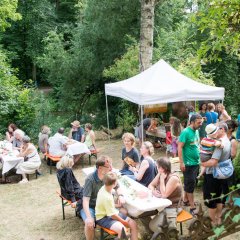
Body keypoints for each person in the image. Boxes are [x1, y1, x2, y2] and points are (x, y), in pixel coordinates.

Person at [81, 156, 126, 240]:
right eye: (109, 166)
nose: (111, 168)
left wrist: (120, 196)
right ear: (100, 168)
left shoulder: (109, 175)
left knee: (124, 211)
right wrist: (89, 217)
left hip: (104, 206)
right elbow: (85, 200)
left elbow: (118, 187)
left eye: (111, 165)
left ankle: (118, 233)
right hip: (91, 206)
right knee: (89, 223)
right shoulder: (90, 179)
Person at [202, 122, 231, 225]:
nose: (215, 131)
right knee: (219, 197)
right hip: (222, 173)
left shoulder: (219, 143)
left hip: (213, 174)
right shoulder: (227, 140)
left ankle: (213, 222)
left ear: (222, 129)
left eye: (217, 129)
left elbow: (213, 161)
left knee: (211, 200)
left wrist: (201, 163)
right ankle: (218, 219)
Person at [95, 172, 138, 239]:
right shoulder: (106, 197)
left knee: (133, 224)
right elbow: (112, 215)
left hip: (110, 213)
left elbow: (107, 206)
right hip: (102, 218)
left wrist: (116, 205)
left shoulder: (105, 187)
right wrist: (123, 222)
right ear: (114, 184)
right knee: (124, 231)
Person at [148, 157, 183, 232]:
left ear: (163, 168)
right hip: (161, 205)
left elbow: (164, 195)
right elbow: (150, 185)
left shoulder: (173, 178)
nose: (156, 168)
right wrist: (153, 191)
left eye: (158, 167)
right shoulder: (160, 173)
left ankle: (165, 235)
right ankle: (157, 234)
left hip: (172, 207)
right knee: (143, 215)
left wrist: (161, 180)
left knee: (153, 226)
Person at [178, 114, 202, 215]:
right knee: (190, 184)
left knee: (191, 183)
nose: (200, 124)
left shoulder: (196, 131)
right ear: (192, 122)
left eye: (201, 122)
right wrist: (181, 162)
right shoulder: (185, 132)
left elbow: (196, 144)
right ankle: (192, 207)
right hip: (188, 164)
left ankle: (185, 200)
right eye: (198, 122)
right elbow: (179, 147)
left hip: (196, 162)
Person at [225, 120, 238, 187]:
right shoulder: (222, 137)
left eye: (226, 127)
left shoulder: (233, 140)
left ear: (231, 129)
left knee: (229, 183)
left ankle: (230, 197)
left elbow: (233, 155)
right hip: (220, 163)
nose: (223, 128)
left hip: (227, 164)